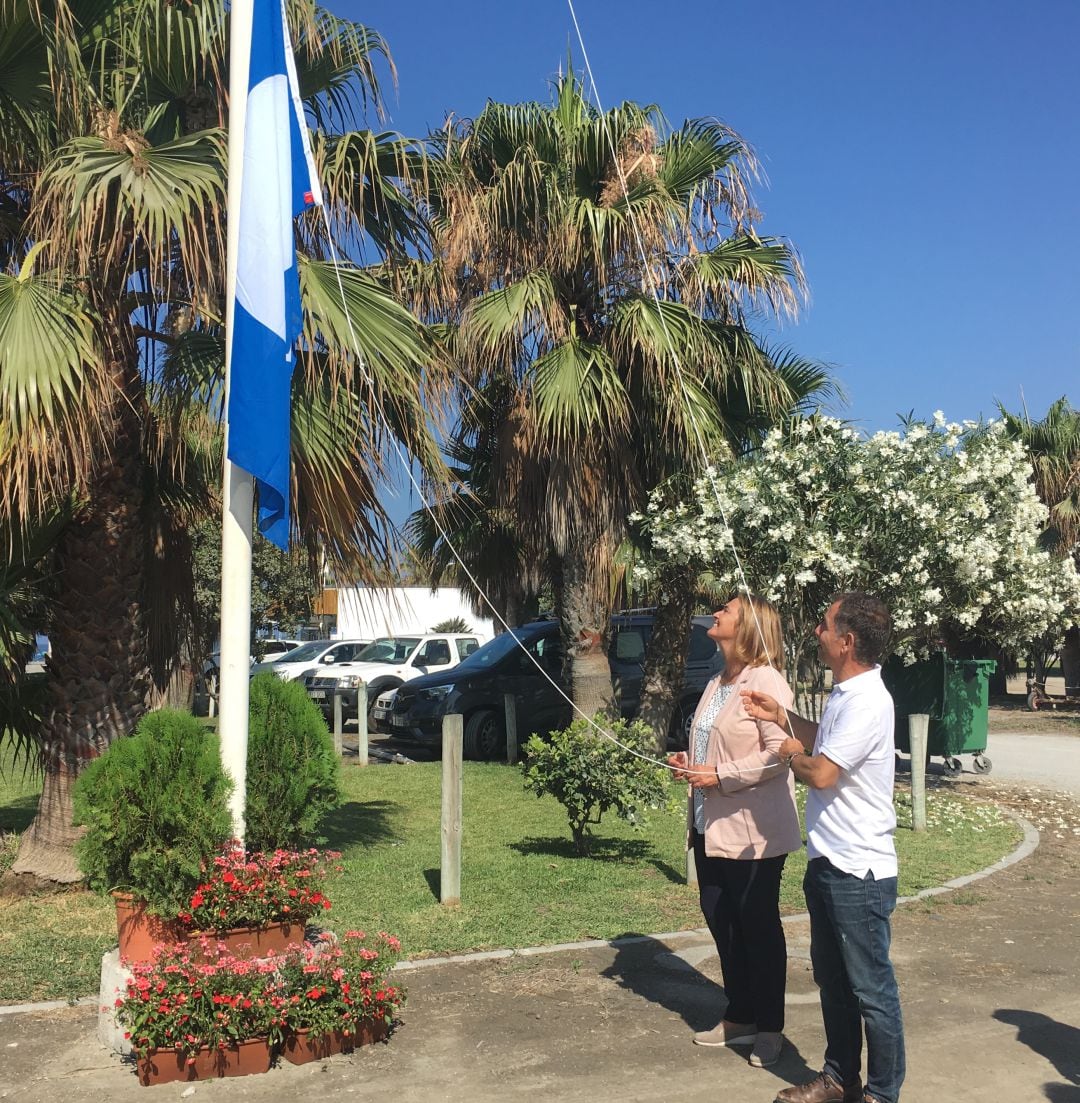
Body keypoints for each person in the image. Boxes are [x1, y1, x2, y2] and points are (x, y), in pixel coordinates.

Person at [743, 592, 904, 1103]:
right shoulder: (845, 695)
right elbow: (825, 739)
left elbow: (822, 771)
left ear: (847, 640)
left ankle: (882, 1093)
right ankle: (839, 1079)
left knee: (871, 992)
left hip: (860, 872)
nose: (817, 632)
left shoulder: (869, 700)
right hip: (829, 864)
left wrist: (790, 752)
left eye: (825, 625)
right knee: (834, 985)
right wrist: (783, 716)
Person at [667, 592, 799, 1069]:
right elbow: (715, 745)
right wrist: (691, 764)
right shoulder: (717, 680)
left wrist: (721, 776)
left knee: (757, 926)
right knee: (720, 917)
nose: (716, 612)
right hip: (710, 824)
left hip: (754, 830)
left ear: (746, 626)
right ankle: (740, 1014)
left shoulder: (766, 682)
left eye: (726, 609)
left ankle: (770, 1027)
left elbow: (779, 751)